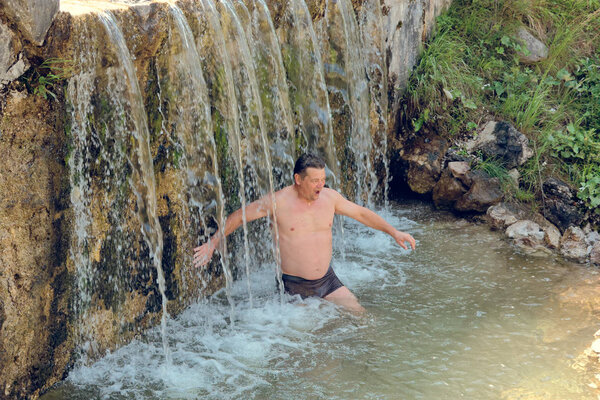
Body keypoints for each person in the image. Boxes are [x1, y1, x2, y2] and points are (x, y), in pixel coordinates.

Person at [193, 153, 416, 312]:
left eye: (323, 180)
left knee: (361, 317)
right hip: (293, 286)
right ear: (298, 180)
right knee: (306, 341)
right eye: (315, 181)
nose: (320, 185)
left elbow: (362, 214)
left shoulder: (330, 198)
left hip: (327, 280)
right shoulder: (277, 202)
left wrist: (393, 232)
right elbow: (239, 216)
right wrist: (213, 243)